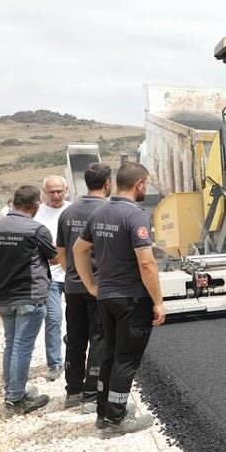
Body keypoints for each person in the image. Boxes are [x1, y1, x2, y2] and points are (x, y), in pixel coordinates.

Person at [73, 162, 163, 437]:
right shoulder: (135, 216)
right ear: (139, 184)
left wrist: (91, 285)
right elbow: (146, 263)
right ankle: (116, 419)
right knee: (127, 360)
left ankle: (105, 411)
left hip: (106, 298)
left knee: (111, 355)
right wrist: (158, 301)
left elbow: (79, 250)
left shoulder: (100, 213)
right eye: (145, 185)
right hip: (132, 299)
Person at [0, 185, 56, 415]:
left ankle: (12, 391)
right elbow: (53, 258)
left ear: (14, 203)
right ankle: (15, 399)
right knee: (22, 347)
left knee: (11, 344)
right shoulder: (36, 230)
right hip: (29, 296)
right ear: (35, 205)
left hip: (3, 297)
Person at [56, 162, 112, 409]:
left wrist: (73, 273)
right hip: (99, 287)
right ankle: (92, 394)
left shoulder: (67, 213)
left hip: (73, 286)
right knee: (99, 338)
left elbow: (61, 252)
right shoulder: (108, 212)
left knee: (76, 338)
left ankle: (73, 392)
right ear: (107, 183)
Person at [34, 175, 70, 380]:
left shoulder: (73, 210)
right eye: (51, 192)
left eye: (59, 191)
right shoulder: (37, 214)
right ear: (44, 192)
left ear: (66, 190)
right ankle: (54, 362)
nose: (56, 195)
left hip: (73, 274)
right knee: (54, 320)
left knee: (79, 320)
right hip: (50, 277)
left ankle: (73, 351)